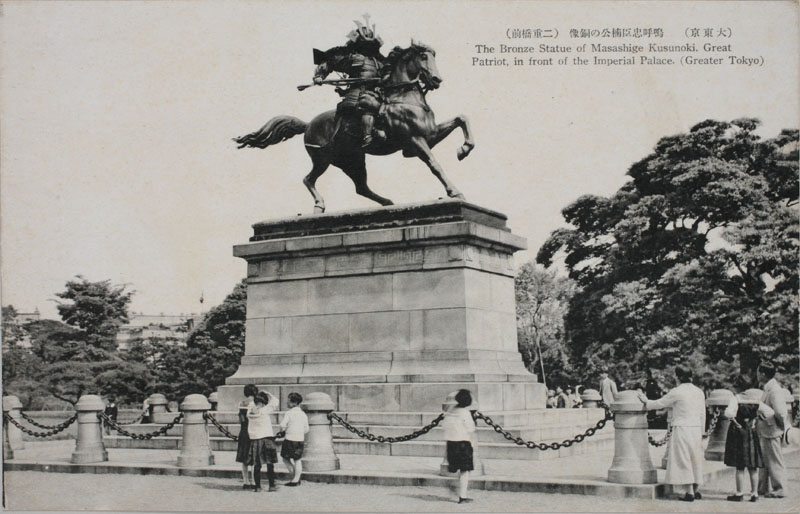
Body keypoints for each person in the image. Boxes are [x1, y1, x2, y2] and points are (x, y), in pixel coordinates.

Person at [312, 14, 385, 148]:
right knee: (367, 105)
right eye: (364, 43)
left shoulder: (378, 61)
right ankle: (367, 136)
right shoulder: (353, 58)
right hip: (359, 91)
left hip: (377, 91)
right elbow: (329, 62)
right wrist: (319, 77)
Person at [638, 365, 706, 502]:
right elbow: (702, 413)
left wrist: (645, 401)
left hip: (682, 427)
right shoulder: (699, 392)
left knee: (683, 458)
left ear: (677, 377)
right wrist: (702, 431)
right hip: (696, 428)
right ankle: (696, 489)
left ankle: (689, 492)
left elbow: (660, 403)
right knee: (695, 458)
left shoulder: (677, 391)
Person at [723, 376, 764, 502]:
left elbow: (729, 413)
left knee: (740, 465)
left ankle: (739, 493)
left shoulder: (736, 398)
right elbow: (768, 412)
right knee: (753, 465)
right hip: (752, 432)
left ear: (739, 387)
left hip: (739, 432)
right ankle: (754, 494)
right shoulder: (757, 399)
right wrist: (755, 419)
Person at [756, 361, 788, 498]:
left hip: (772, 429)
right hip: (767, 429)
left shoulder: (774, 390)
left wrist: (780, 426)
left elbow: (780, 412)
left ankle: (780, 488)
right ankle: (762, 488)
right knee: (765, 460)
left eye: (758, 372)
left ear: (763, 374)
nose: (757, 375)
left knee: (774, 460)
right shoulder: (768, 388)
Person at [442, 389, 476, 504]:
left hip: (451, 443)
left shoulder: (451, 411)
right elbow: (471, 428)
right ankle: (463, 496)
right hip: (463, 444)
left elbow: (444, 425)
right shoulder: (465, 413)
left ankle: (461, 494)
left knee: (456, 468)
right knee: (464, 471)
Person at [247, 391, 278, 492]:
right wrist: (268, 393)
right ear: (264, 403)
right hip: (267, 438)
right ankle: (272, 485)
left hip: (255, 439)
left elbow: (252, 404)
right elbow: (275, 401)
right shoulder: (265, 410)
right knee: (270, 463)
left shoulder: (250, 410)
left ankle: (258, 487)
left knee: (257, 464)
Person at [280, 392, 309, 487]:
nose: (287, 403)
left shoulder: (289, 413)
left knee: (285, 459)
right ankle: (296, 477)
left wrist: (283, 430)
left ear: (294, 402)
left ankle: (294, 477)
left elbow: (282, 425)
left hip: (289, 439)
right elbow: (306, 429)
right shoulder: (303, 414)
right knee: (297, 459)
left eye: (288, 401)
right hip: (300, 439)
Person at [236, 384, 258, 489]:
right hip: (254, 432)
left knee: (244, 458)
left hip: (244, 432)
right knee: (253, 459)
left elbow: (241, 420)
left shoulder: (241, 403)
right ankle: (253, 481)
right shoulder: (257, 404)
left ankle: (245, 481)